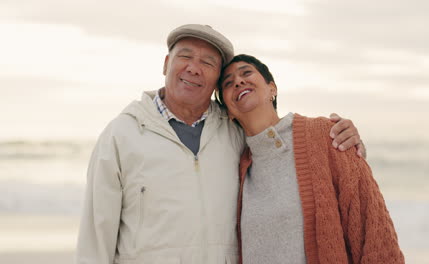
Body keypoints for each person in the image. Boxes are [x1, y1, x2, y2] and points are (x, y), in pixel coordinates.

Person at [76, 25, 365, 264]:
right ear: (166, 64)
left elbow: (284, 148)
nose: (194, 68)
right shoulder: (122, 134)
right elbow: (95, 238)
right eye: (185, 56)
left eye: (208, 63)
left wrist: (344, 139)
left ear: (216, 81)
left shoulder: (235, 131)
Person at [217, 54, 404, 264]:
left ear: (272, 88)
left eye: (246, 73)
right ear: (228, 111)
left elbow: (371, 225)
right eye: (228, 83)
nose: (238, 82)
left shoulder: (326, 134)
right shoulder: (237, 164)